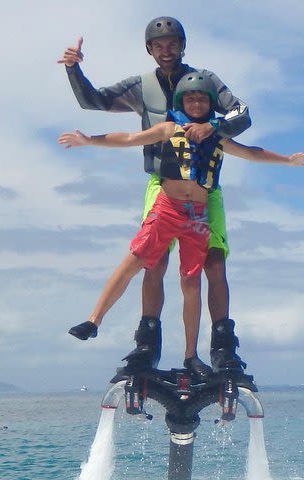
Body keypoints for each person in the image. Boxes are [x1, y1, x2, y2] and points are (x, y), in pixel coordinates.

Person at [60, 71, 304, 378]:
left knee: (191, 282)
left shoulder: (217, 136)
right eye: (190, 98)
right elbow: (128, 139)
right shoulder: (169, 127)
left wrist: (287, 160)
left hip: (197, 216)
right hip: (168, 207)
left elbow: (250, 153)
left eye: (202, 98)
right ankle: (94, 320)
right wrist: (90, 141)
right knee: (136, 260)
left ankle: (191, 355)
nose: (196, 102)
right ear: (182, 101)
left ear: (210, 104)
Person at [58, 17, 252, 373]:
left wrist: (214, 124)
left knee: (213, 264)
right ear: (149, 49)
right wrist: (73, 69)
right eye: (158, 45)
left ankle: (223, 349)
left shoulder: (205, 81)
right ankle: (147, 345)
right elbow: (93, 101)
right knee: (155, 261)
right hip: (162, 185)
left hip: (206, 191)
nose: (166, 50)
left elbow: (242, 114)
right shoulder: (140, 86)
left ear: (183, 45)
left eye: (172, 43)